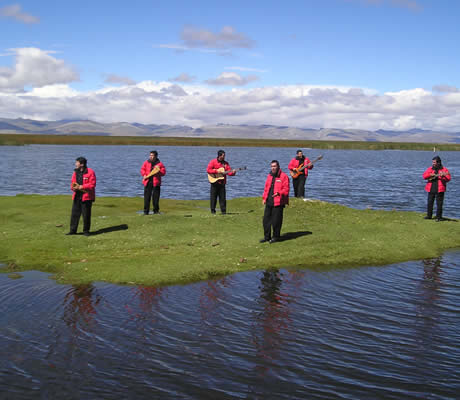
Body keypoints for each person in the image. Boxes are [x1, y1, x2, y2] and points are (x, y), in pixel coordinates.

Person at [260, 160, 290, 243]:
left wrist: (279, 193)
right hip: (269, 201)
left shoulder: (284, 176)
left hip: (278, 202)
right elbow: (266, 188)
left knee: (276, 221)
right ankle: (267, 237)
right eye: (272, 166)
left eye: (274, 166)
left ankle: (276, 237)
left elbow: (286, 189)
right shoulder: (269, 176)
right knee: (266, 220)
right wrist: (264, 198)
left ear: (278, 167)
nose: (273, 168)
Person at [67, 157, 96, 236]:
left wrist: (82, 187)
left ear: (82, 164)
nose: (75, 164)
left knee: (86, 215)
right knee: (74, 214)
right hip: (77, 196)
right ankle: (72, 231)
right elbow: (72, 182)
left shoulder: (90, 172)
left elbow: (92, 185)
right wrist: (73, 188)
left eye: (77, 162)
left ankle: (86, 231)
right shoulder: (75, 172)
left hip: (87, 197)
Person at [206, 150, 236, 214]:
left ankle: (223, 212)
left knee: (223, 199)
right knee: (213, 198)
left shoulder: (226, 164)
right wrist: (217, 171)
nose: (224, 156)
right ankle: (213, 212)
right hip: (214, 182)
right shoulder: (213, 162)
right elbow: (208, 170)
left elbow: (229, 172)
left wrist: (233, 173)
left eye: (224, 155)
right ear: (219, 156)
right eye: (223, 155)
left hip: (222, 183)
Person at [423, 155, 451, 221]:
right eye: (433, 162)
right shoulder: (430, 169)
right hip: (431, 188)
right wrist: (430, 174)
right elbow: (424, 176)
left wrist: (443, 176)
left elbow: (448, 178)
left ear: (439, 162)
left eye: (434, 162)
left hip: (440, 189)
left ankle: (439, 217)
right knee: (430, 203)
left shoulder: (444, 170)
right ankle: (429, 216)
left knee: (439, 204)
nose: (433, 163)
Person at [140, 150, 166, 215]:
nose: (151, 157)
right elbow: (142, 169)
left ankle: (156, 211)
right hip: (147, 182)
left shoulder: (160, 164)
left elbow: (163, 172)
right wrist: (144, 175)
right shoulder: (146, 162)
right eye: (150, 155)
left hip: (156, 183)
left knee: (156, 198)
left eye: (152, 155)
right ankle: (146, 212)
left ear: (156, 156)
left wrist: (158, 171)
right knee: (147, 197)